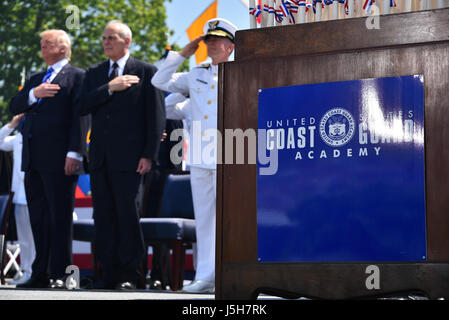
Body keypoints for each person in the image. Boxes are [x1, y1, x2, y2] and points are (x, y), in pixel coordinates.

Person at [77, 20, 165, 290]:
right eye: (103, 38)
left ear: (126, 41)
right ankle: (108, 274)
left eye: (111, 38)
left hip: (132, 160)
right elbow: (80, 105)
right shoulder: (95, 73)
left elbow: (156, 117)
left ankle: (129, 274)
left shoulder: (147, 71)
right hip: (101, 159)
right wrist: (109, 88)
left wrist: (149, 154)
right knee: (103, 216)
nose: (105, 42)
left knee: (128, 215)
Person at [151, 18, 237, 293]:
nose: (211, 44)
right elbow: (159, 80)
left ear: (231, 46)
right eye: (208, 40)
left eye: (217, 40)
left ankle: (232, 275)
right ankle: (205, 276)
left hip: (234, 154)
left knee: (233, 219)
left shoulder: (241, 72)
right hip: (201, 157)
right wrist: (183, 54)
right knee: (205, 218)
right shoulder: (195, 73)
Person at [9, 29, 86, 289]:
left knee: (60, 217)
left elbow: (80, 117)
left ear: (62, 48)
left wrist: (74, 152)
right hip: (33, 160)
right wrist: (34, 94)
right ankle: (40, 273)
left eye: (47, 44)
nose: (42, 48)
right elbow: (15, 105)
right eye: (41, 44)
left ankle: (63, 275)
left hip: (60, 159)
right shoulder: (36, 79)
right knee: (39, 218)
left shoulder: (77, 77)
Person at [0, 114, 36, 285]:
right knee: (24, 238)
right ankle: (27, 270)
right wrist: (11, 124)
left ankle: (39, 270)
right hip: (20, 195)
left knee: (38, 236)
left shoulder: (39, 134)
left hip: (37, 194)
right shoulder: (18, 138)